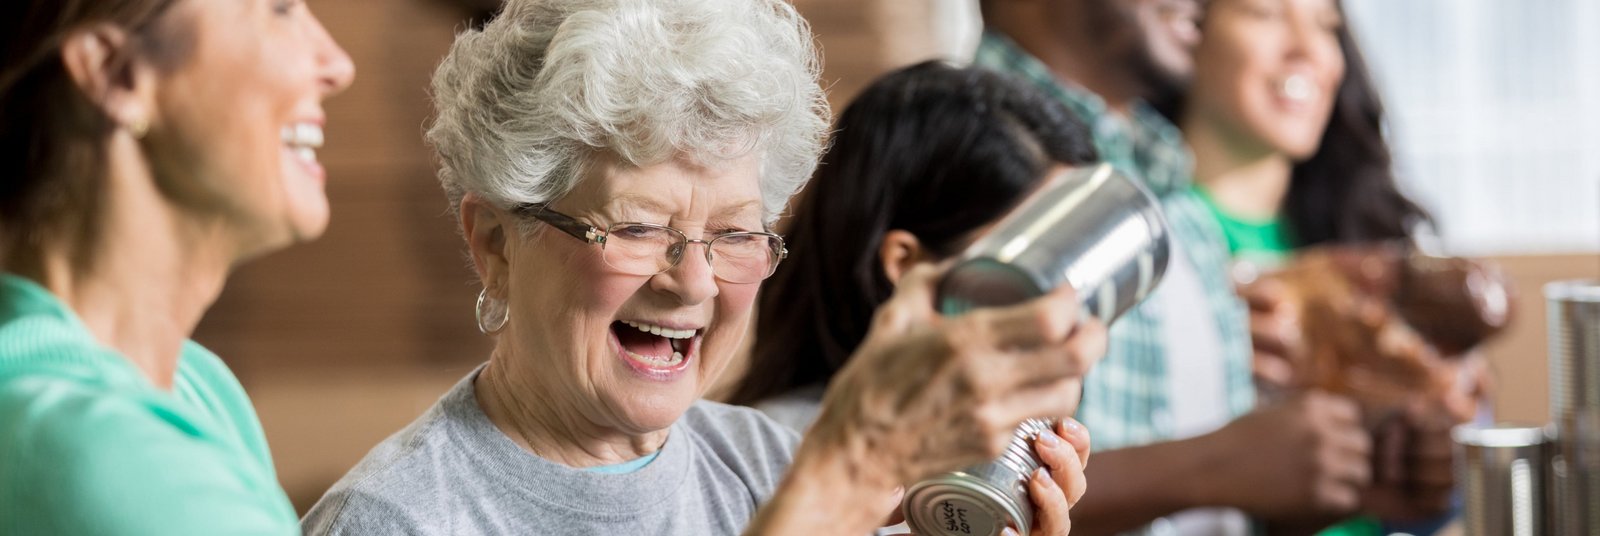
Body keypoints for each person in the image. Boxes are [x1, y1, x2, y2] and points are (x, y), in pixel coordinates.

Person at [300, 2, 1103, 535]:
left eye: (734, 234)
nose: (692, 283)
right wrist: (836, 487)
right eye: (640, 227)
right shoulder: (396, 518)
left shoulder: (763, 462)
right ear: (496, 246)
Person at [977, 0, 1373, 534]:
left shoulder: (1174, 197)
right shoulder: (956, 155)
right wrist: (1217, 463)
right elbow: (956, 500)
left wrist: (1359, 470)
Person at [0, 0, 354, 533]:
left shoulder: (197, 386)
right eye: (279, 9)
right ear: (114, 74)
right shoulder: (108, 456)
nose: (338, 65)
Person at [1174, 0, 1478, 532]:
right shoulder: (1160, 247)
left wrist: (1439, 426)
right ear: (1183, 28)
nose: (1309, 49)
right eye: (1265, 14)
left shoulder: (1366, 239)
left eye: (1326, 24)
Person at [730, 56, 1102, 466]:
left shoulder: (998, 453)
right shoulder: (776, 456)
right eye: (1031, 262)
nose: (1063, 301)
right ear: (906, 266)